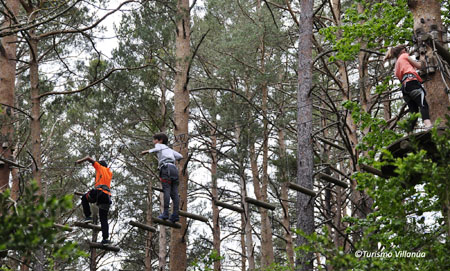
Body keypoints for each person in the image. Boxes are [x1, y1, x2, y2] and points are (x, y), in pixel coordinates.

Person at [384, 44, 432, 130]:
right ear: (402, 51)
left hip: (404, 88)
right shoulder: (404, 55)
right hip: (412, 83)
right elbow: (419, 66)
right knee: (423, 104)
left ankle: (409, 131)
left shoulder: (397, 65)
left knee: (414, 112)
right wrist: (423, 59)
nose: (407, 52)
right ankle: (428, 125)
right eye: (406, 50)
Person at [141, 133, 183, 223]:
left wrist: (147, 151)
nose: (154, 142)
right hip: (174, 170)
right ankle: (175, 215)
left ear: (160, 140)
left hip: (166, 169)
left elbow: (156, 148)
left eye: (155, 140)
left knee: (166, 190)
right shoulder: (169, 149)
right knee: (175, 193)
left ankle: (165, 213)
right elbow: (180, 156)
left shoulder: (159, 146)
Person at [76, 156, 113, 245]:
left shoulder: (100, 167)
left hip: (99, 192)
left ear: (99, 165)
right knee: (103, 219)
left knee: (84, 198)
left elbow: (89, 158)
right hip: (107, 196)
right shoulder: (109, 173)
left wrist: (80, 161)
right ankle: (105, 239)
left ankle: (88, 216)